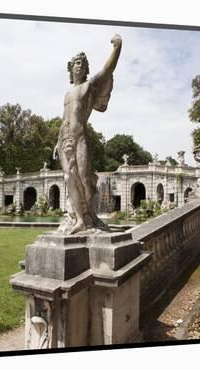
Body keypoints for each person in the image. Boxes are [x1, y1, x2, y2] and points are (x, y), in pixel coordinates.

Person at [54, 34, 122, 234]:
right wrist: (57, 142)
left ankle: (90, 216)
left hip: (80, 135)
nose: (79, 66)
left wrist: (117, 49)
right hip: (64, 136)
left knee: (84, 177)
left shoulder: (89, 86)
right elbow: (65, 118)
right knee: (69, 178)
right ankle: (79, 220)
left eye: (82, 64)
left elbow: (107, 70)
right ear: (71, 68)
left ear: (86, 69)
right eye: (76, 63)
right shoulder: (67, 94)